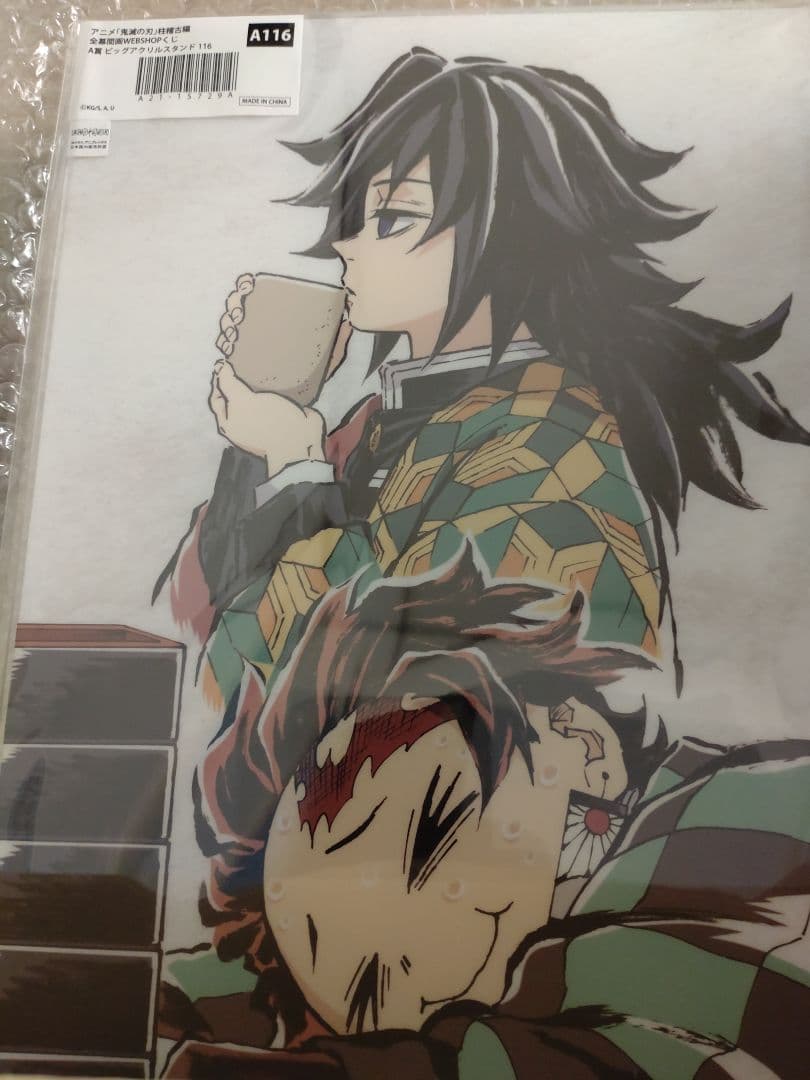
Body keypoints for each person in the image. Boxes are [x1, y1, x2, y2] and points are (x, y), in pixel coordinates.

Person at [156, 47, 808, 718]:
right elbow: (214, 656)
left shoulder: (551, 452)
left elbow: (386, 703)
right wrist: (269, 429)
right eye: (354, 217)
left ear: (510, 239)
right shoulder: (369, 429)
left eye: (393, 219)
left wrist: (296, 465)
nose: (346, 246)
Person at [160, 546, 810, 1077]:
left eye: (432, 845)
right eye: (370, 987)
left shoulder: (745, 810)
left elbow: (627, 1047)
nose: (429, 972)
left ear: (581, 739)